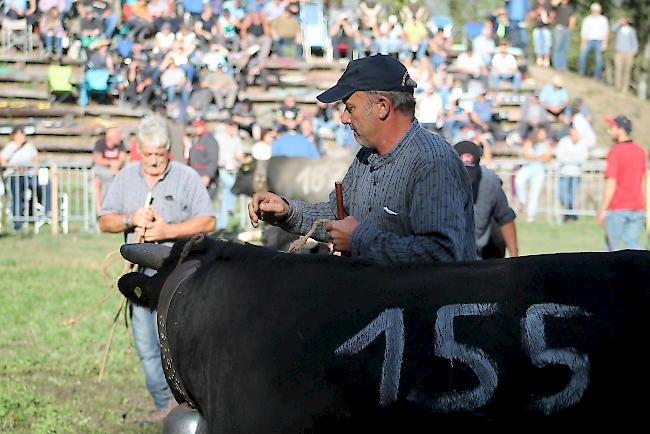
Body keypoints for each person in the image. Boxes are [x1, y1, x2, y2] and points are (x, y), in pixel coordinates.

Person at [248, 54, 477, 264]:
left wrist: (360, 240)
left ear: (382, 107)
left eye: (350, 108)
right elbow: (339, 216)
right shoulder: (367, 155)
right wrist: (288, 212)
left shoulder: (432, 162)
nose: (344, 119)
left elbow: (442, 253)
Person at [98, 115, 215, 422]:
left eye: (159, 155)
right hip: (140, 274)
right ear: (138, 150)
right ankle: (162, 403)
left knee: (178, 342)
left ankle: (187, 403)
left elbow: (207, 221)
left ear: (168, 151)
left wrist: (167, 231)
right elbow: (104, 221)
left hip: (181, 274)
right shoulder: (125, 178)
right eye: (147, 154)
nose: (153, 161)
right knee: (147, 344)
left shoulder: (186, 177)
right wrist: (130, 219)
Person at [454, 141, 518, 259]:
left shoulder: (490, 182)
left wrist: (515, 259)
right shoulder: (436, 180)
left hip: (476, 257)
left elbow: (506, 218)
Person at [597, 115, 646, 251]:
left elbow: (611, 182)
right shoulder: (641, 151)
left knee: (612, 249)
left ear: (621, 130)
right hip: (637, 206)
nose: (609, 131)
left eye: (612, 128)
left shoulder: (615, 151)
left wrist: (603, 209)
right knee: (634, 246)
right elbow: (643, 180)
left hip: (617, 206)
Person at [0, 126, 49, 232]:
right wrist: (14, 166)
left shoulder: (29, 146)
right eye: (19, 134)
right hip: (14, 176)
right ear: (14, 136)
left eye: (23, 134)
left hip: (29, 174)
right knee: (17, 198)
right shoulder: (10, 147)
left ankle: (47, 213)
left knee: (44, 185)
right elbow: (3, 161)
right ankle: (18, 224)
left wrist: (31, 165)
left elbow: (36, 159)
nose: (22, 136)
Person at [514, 126, 553, 222]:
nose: (544, 136)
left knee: (534, 193)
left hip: (539, 170)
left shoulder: (546, 144)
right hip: (528, 168)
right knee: (519, 181)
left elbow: (548, 157)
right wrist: (540, 157)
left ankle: (531, 216)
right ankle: (522, 201)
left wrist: (535, 157)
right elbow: (527, 156)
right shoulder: (529, 142)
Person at [556, 124, 588, 222]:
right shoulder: (564, 142)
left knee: (571, 195)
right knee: (562, 195)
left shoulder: (582, 143)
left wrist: (570, 159)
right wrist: (573, 159)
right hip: (564, 172)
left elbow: (583, 158)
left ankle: (568, 215)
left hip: (576, 173)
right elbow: (560, 156)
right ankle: (570, 213)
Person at [93, 126, 126, 213]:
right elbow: (97, 160)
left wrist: (116, 165)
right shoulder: (100, 143)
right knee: (97, 181)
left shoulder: (121, 144)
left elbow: (122, 159)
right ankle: (99, 208)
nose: (120, 137)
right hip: (103, 171)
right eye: (117, 136)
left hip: (116, 171)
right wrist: (111, 163)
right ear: (110, 137)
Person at [185, 119, 220, 200]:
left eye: (199, 126)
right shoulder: (195, 139)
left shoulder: (210, 140)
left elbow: (213, 160)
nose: (197, 129)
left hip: (205, 176)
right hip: (195, 175)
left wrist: (207, 176)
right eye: (195, 126)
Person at [578, 3, 609, 80]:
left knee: (599, 60)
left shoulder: (603, 20)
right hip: (588, 40)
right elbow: (584, 32)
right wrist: (582, 43)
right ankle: (581, 73)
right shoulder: (587, 19)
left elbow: (605, 33)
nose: (595, 12)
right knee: (582, 56)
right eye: (594, 11)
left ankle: (596, 77)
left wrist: (605, 43)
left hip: (599, 41)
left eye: (597, 11)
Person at [612, 17, 638, 95]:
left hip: (628, 54)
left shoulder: (632, 31)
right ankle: (617, 87)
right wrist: (619, 22)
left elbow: (634, 43)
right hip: (619, 52)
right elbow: (613, 29)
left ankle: (624, 90)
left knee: (627, 72)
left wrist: (634, 51)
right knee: (618, 69)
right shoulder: (619, 29)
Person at [550, 0, 575, 71]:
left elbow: (572, 18)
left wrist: (570, 29)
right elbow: (553, 3)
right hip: (558, 28)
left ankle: (563, 67)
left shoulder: (569, 7)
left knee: (564, 49)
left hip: (566, 29)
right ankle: (556, 66)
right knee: (557, 47)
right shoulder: (557, 6)